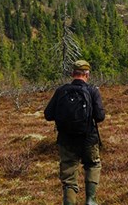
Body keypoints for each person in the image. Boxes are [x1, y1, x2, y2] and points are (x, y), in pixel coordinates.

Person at [44, 60, 105, 205]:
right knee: (92, 165)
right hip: (88, 139)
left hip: (66, 140)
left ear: (72, 74)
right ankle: (90, 200)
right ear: (87, 74)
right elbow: (100, 116)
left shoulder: (61, 91)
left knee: (69, 175)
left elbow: (48, 114)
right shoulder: (92, 91)